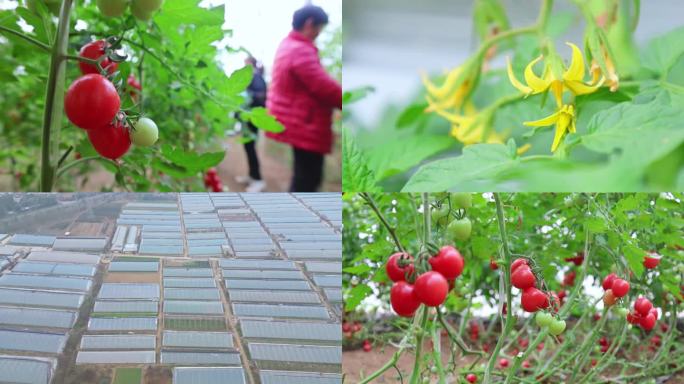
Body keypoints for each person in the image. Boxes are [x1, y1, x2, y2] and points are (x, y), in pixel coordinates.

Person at [266, 4, 342, 192]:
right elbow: (322, 85)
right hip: (306, 123)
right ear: (309, 24)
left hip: (297, 122)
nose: (318, 34)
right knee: (308, 179)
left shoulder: (287, 45)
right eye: (319, 28)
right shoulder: (300, 49)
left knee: (303, 176)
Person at [236, 56, 267, 192]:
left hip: (252, 117)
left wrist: (247, 94)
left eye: (246, 63)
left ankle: (258, 180)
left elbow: (261, 95)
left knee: (251, 147)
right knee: (248, 146)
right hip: (247, 117)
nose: (244, 65)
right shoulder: (252, 77)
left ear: (251, 64)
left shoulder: (256, 77)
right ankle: (252, 176)